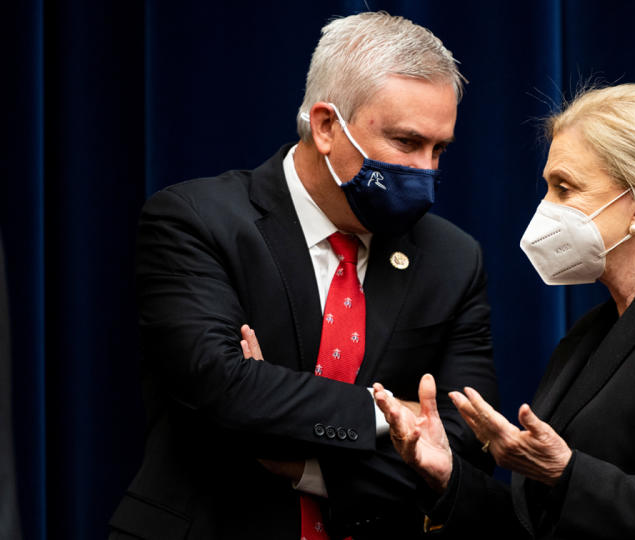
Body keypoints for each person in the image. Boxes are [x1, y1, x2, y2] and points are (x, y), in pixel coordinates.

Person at [109, 12, 498, 540]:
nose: (427, 172)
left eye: (440, 150)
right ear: (326, 126)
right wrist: (395, 412)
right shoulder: (196, 220)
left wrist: (308, 467)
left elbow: (467, 446)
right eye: (406, 144)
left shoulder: (452, 257)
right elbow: (225, 393)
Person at [375, 83, 635, 539]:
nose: (545, 209)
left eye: (564, 188)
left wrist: (567, 473)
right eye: (548, 188)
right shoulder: (596, 328)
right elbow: (541, 523)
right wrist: (448, 475)